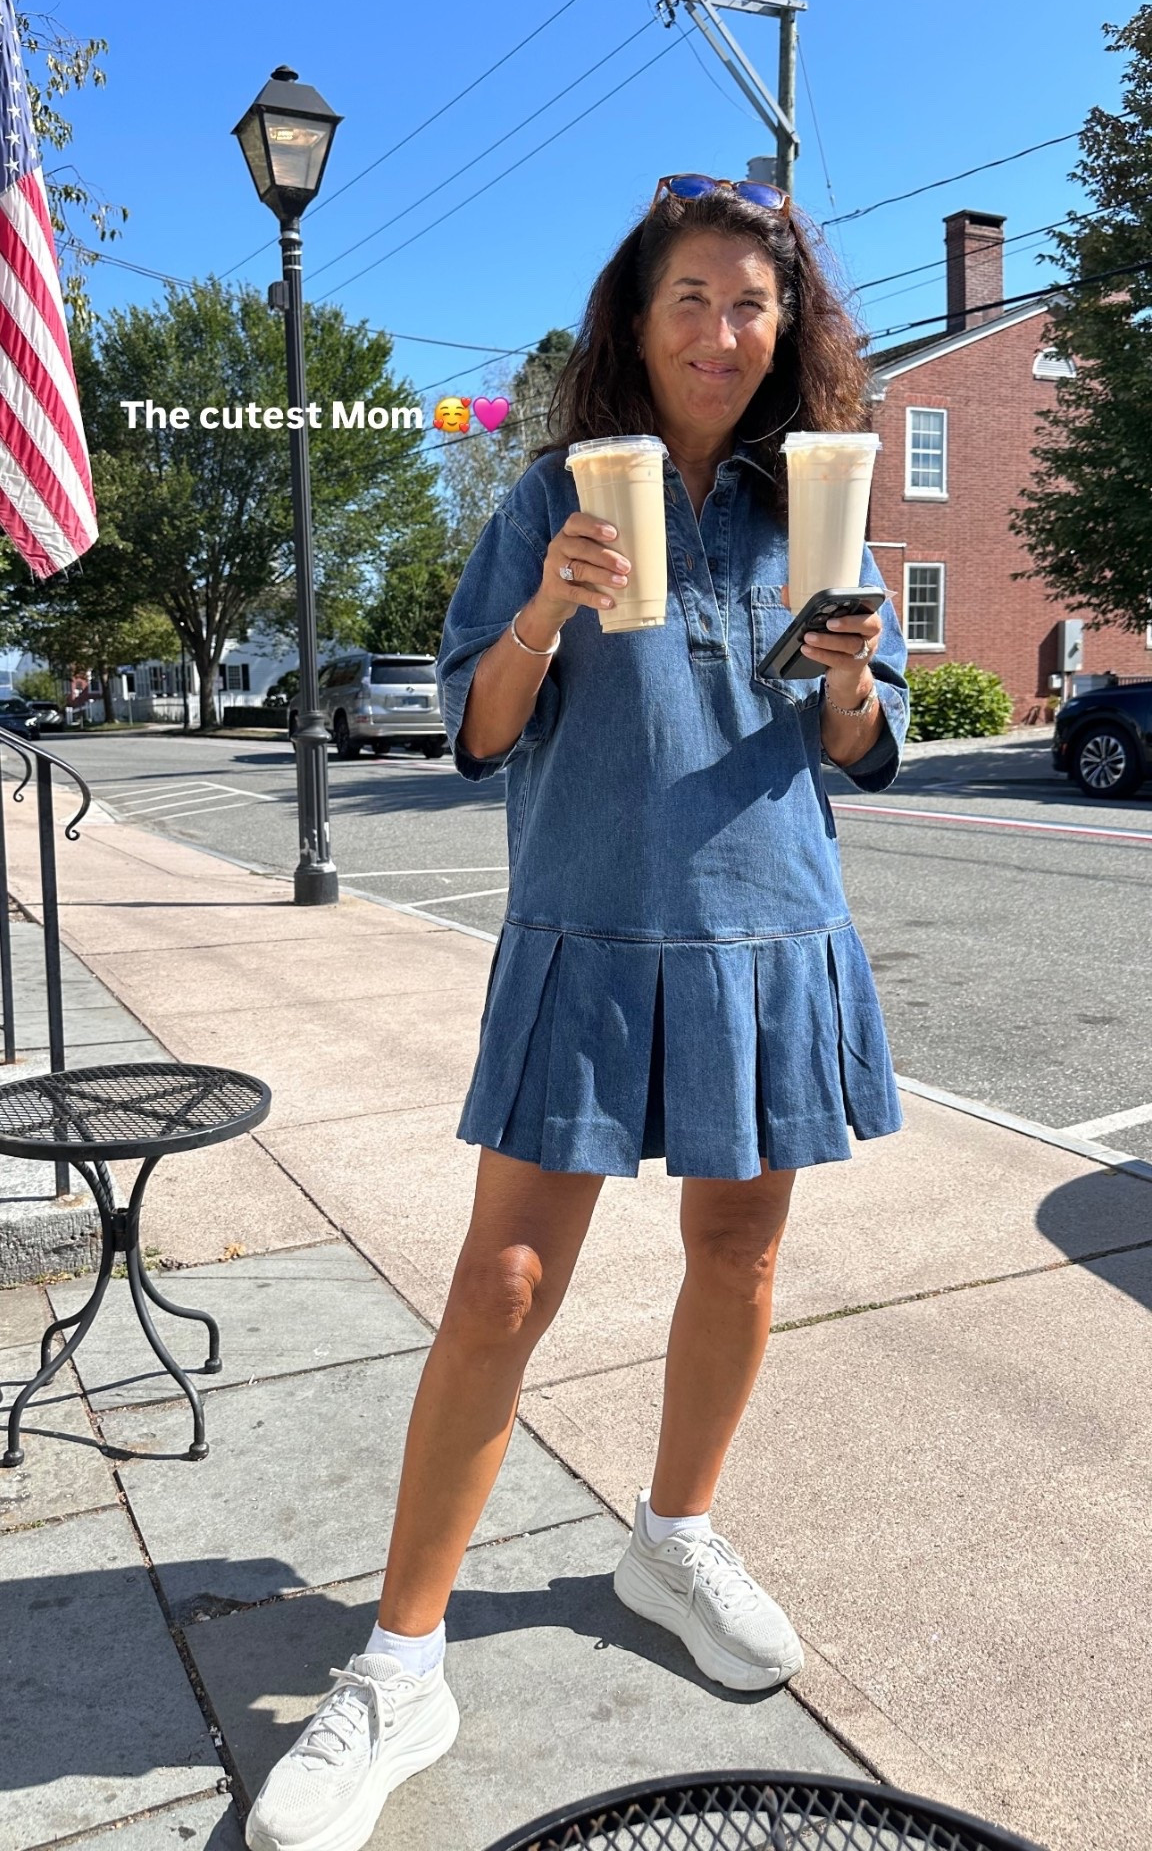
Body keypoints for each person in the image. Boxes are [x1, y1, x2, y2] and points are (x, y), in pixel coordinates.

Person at [246, 174, 909, 1851]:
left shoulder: (808, 506)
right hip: (588, 935)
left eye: (752, 304)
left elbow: (860, 745)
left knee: (742, 1254)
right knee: (503, 1282)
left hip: (769, 931)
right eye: (690, 297)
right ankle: (402, 1662)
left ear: (787, 331)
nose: (722, 330)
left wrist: (846, 672)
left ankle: (672, 1534)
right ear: (636, 317)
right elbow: (476, 729)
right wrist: (546, 600)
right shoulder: (548, 492)